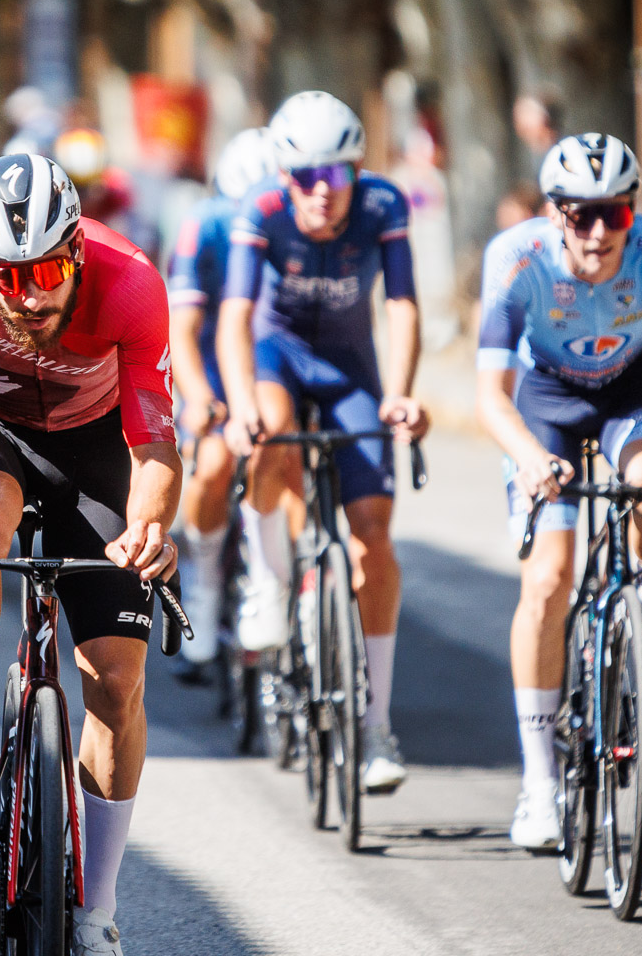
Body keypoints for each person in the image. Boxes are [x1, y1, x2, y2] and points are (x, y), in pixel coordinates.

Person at [0, 152, 179, 956]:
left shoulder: (130, 281)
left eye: (52, 268)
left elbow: (156, 445)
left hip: (98, 445)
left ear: (79, 252)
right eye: (7, 276)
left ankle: (98, 911)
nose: (33, 295)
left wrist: (150, 526)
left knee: (118, 683)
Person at [477, 133, 642, 849]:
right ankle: (538, 786)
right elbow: (490, 394)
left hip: (631, 388)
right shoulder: (515, 258)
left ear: (634, 211)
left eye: (614, 215)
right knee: (549, 580)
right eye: (579, 214)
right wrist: (530, 458)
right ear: (553, 213)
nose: (598, 232)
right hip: (544, 403)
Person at [217, 90, 430, 794]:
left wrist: (399, 391)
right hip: (277, 357)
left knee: (374, 539)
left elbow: (400, 304)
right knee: (270, 437)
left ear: (357, 171)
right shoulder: (263, 213)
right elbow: (234, 317)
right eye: (305, 177)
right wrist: (241, 403)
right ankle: (270, 586)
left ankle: (375, 726)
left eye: (336, 175)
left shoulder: (382, 206)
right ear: (283, 178)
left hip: (350, 368)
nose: (321, 192)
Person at [166, 127, 276, 681]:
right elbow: (181, 328)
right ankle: (205, 585)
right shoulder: (203, 224)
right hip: (212, 367)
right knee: (211, 468)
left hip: (272, 370)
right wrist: (198, 399)